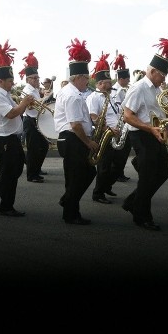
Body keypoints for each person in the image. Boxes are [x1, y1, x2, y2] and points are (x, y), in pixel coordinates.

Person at [121, 34, 168, 231]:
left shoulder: (157, 89)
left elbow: (163, 113)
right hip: (141, 134)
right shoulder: (139, 88)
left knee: (163, 174)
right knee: (148, 176)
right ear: (153, 71)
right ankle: (142, 216)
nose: (164, 79)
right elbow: (127, 116)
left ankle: (133, 202)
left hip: (155, 133)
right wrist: (150, 128)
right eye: (162, 75)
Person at [0, 52, 35, 216]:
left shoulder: (4, 94)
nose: (13, 84)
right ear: (0, 81)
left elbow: (18, 109)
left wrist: (27, 105)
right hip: (3, 139)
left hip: (11, 138)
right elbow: (12, 113)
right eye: (10, 81)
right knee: (9, 173)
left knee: (16, 170)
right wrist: (24, 103)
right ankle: (6, 206)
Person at [54, 38, 98, 225]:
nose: (88, 81)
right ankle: (71, 212)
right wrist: (89, 142)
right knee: (79, 176)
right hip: (73, 139)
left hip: (73, 139)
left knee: (82, 175)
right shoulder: (72, 95)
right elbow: (75, 125)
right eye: (86, 78)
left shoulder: (72, 92)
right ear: (78, 77)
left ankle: (69, 204)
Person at [87, 53, 120, 204]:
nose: (110, 85)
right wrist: (107, 129)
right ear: (99, 83)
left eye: (110, 81)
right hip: (103, 134)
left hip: (116, 133)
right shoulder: (94, 97)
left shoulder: (112, 95)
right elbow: (93, 118)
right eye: (107, 82)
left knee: (116, 164)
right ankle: (98, 193)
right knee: (104, 166)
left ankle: (106, 186)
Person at [19, 52, 49, 183]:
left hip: (36, 120)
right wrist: (45, 98)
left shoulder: (35, 89)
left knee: (43, 146)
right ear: (27, 79)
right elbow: (29, 107)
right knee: (33, 149)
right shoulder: (27, 90)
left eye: (38, 78)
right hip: (30, 121)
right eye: (34, 78)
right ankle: (32, 174)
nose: (37, 80)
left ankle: (36, 169)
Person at [109, 55, 132, 183]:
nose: (129, 81)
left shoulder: (126, 88)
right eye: (127, 79)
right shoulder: (114, 90)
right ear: (121, 79)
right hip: (118, 123)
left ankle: (120, 172)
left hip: (125, 123)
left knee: (125, 150)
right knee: (119, 152)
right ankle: (116, 173)